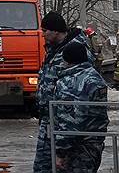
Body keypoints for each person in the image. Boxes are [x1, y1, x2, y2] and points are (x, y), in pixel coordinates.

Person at [34, 11, 92, 173]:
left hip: (66, 120)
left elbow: (79, 88)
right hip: (49, 118)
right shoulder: (53, 49)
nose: (42, 34)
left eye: (45, 30)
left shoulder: (75, 50)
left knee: (62, 166)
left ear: (56, 31)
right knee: (43, 167)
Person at [53, 42, 108, 173]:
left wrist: (61, 152)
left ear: (67, 59)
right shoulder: (95, 77)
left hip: (76, 148)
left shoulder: (70, 83)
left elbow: (70, 122)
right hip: (94, 144)